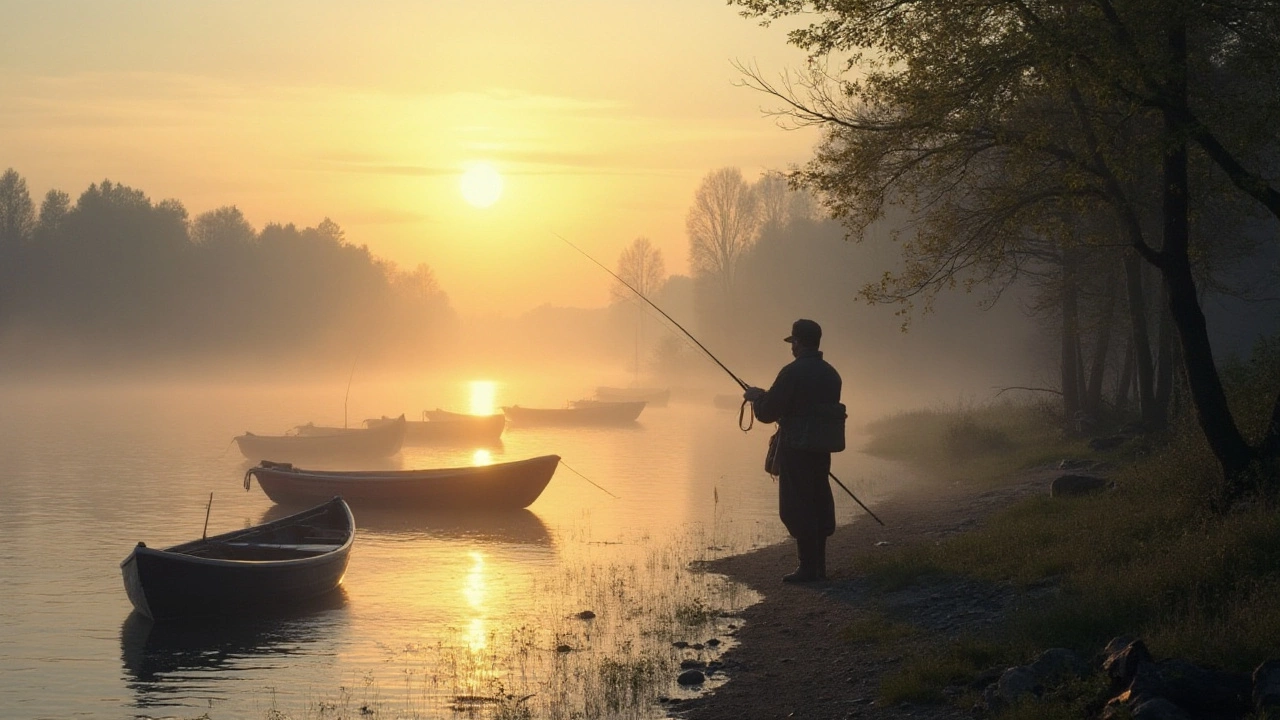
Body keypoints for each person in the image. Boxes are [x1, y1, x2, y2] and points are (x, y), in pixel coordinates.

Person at [743, 319, 844, 583]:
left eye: (793, 343)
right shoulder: (832, 374)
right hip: (821, 449)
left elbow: (767, 412)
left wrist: (755, 397)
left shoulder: (791, 372)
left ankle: (807, 569)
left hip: (796, 449)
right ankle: (818, 567)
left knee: (796, 506)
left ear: (798, 342)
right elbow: (803, 404)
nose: (792, 348)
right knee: (818, 501)